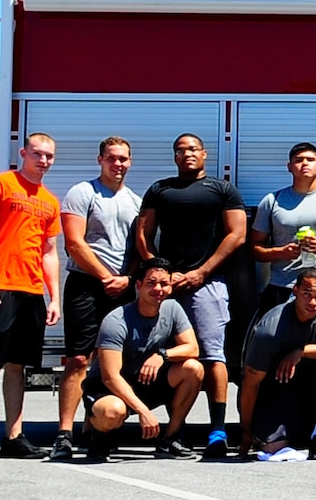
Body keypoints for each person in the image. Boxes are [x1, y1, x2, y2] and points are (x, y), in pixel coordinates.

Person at [135, 134, 247, 458]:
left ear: (204, 154)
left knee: (213, 356)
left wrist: (202, 272)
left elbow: (237, 234)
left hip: (207, 286)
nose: (187, 154)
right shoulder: (160, 189)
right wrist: (161, 273)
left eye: (193, 149)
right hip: (166, 288)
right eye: (180, 150)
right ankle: (176, 431)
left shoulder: (222, 190)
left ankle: (217, 431)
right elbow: (143, 234)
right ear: (174, 157)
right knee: (174, 357)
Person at [0, 134, 63, 465]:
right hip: (0, 286)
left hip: (32, 291)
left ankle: (13, 436)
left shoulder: (49, 201)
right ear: (23, 153)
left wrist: (54, 297)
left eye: (49, 156)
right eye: (37, 154)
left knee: (17, 367)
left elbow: (49, 252)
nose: (43, 161)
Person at [53, 136, 141, 461]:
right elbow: (74, 243)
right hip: (86, 285)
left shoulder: (135, 201)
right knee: (78, 360)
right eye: (112, 158)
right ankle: (64, 434)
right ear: (100, 159)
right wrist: (106, 277)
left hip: (122, 288)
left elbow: (138, 250)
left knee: (112, 364)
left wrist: (128, 279)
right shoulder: (83, 193)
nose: (118, 164)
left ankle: (99, 429)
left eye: (124, 159)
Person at [83, 259, 205, 460]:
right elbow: (110, 377)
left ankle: (170, 438)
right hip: (111, 388)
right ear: (138, 286)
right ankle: (100, 435)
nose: (158, 289)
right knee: (112, 412)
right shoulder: (116, 321)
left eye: (164, 284)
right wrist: (143, 412)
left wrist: (162, 355)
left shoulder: (173, 309)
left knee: (193, 368)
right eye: (151, 283)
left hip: (146, 380)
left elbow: (192, 348)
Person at [239, 267, 316, 461]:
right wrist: (246, 431)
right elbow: (250, 385)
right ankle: (270, 433)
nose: (313, 302)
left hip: (309, 383)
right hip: (275, 388)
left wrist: (302, 351)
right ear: (294, 291)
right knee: (273, 451)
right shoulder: (270, 331)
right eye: (306, 294)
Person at [246, 142, 316, 315]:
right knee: (276, 340)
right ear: (289, 167)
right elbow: (254, 248)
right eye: (298, 160)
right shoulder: (272, 201)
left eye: (310, 159)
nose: (305, 164)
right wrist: (280, 252)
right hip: (282, 287)